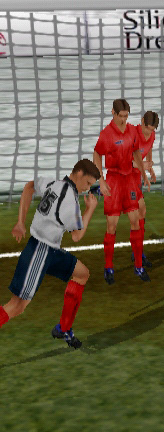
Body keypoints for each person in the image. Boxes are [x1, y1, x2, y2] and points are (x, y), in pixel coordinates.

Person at [0, 160, 101, 348]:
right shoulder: (70, 201)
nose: (88, 189)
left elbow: (29, 187)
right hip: (40, 252)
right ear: (79, 173)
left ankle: (63, 328)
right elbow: (77, 236)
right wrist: (90, 209)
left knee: (81, 274)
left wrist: (21, 222)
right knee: (17, 306)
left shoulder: (53, 183)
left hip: (51, 250)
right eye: (88, 183)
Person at [93, 98, 151, 284]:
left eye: (126, 116)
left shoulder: (132, 130)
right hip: (114, 181)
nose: (124, 120)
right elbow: (97, 153)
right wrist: (101, 180)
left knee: (136, 221)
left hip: (129, 181)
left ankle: (138, 266)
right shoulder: (107, 134)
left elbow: (136, 152)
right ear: (113, 113)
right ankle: (109, 267)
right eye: (121, 116)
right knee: (112, 226)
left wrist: (143, 174)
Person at [129, 110, 160, 268]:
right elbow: (122, 159)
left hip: (137, 177)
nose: (149, 133)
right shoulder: (131, 135)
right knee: (138, 213)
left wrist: (150, 168)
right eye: (147, 129)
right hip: (126, 177)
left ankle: (137, 251)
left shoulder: (151, 135)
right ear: (142, 121)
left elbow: (149, 150)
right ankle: (137, 254)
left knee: (140, 214)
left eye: (152, 130)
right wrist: (141, 165)